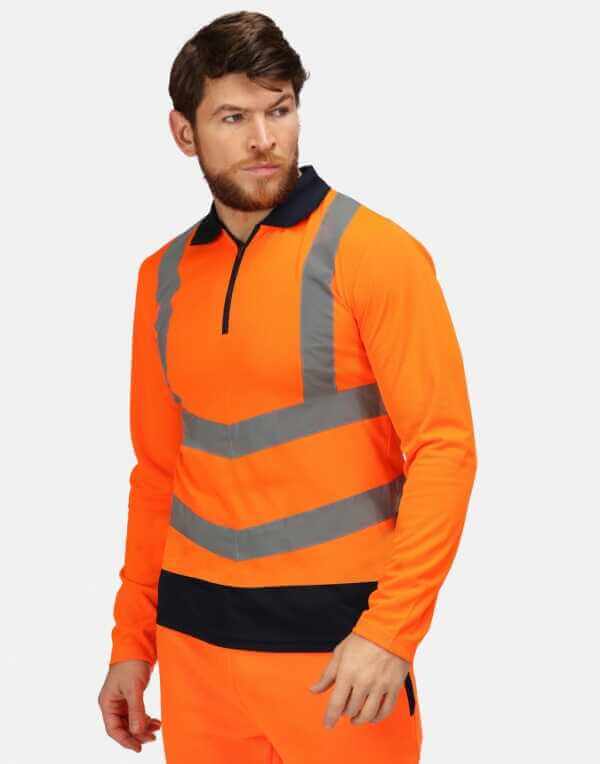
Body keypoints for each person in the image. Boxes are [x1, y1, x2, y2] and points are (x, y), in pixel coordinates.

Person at [97, 11, 477, 763]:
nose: (263, 138)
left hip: (340, 660)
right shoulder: (162, 278)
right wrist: (132, 642)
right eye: (233, 117)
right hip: (196, 658)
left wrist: (391, 631)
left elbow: (444, 451)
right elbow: (158, 475)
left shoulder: (375, 255)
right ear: (184, 133)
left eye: (279, 110)